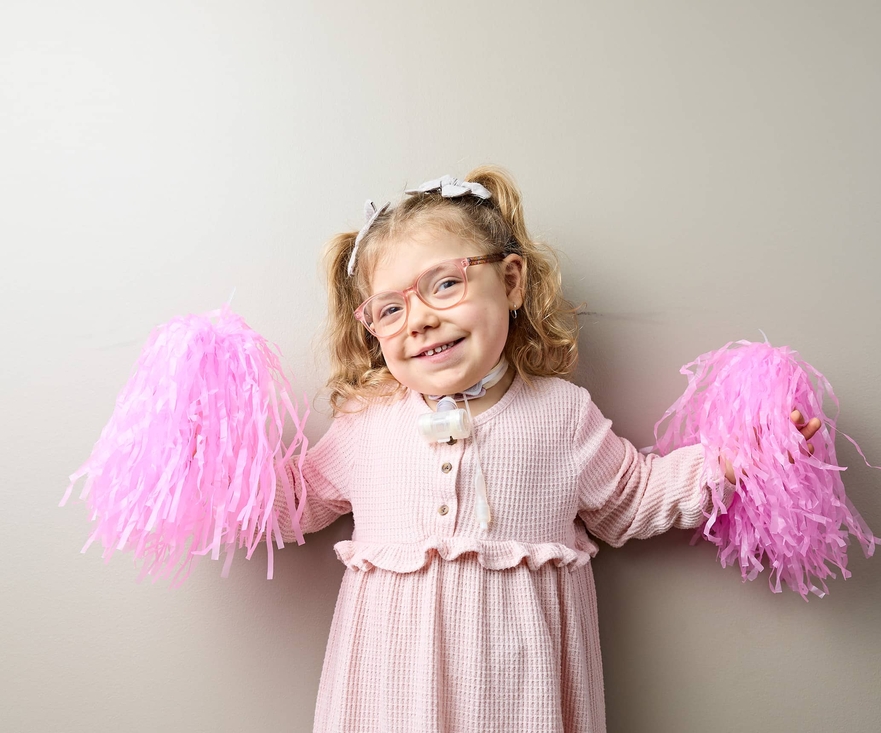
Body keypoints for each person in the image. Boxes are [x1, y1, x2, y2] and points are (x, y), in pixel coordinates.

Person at [278, 166, 820, 732]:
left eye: (445, 284)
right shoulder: (367, 424)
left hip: (520, 694)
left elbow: (633, 499)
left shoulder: (560, 414)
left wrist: (735, 461)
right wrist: (213, 460)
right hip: (389, 698)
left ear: (511, 281)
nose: (420, 319)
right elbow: (298, 499)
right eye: (389, 308)